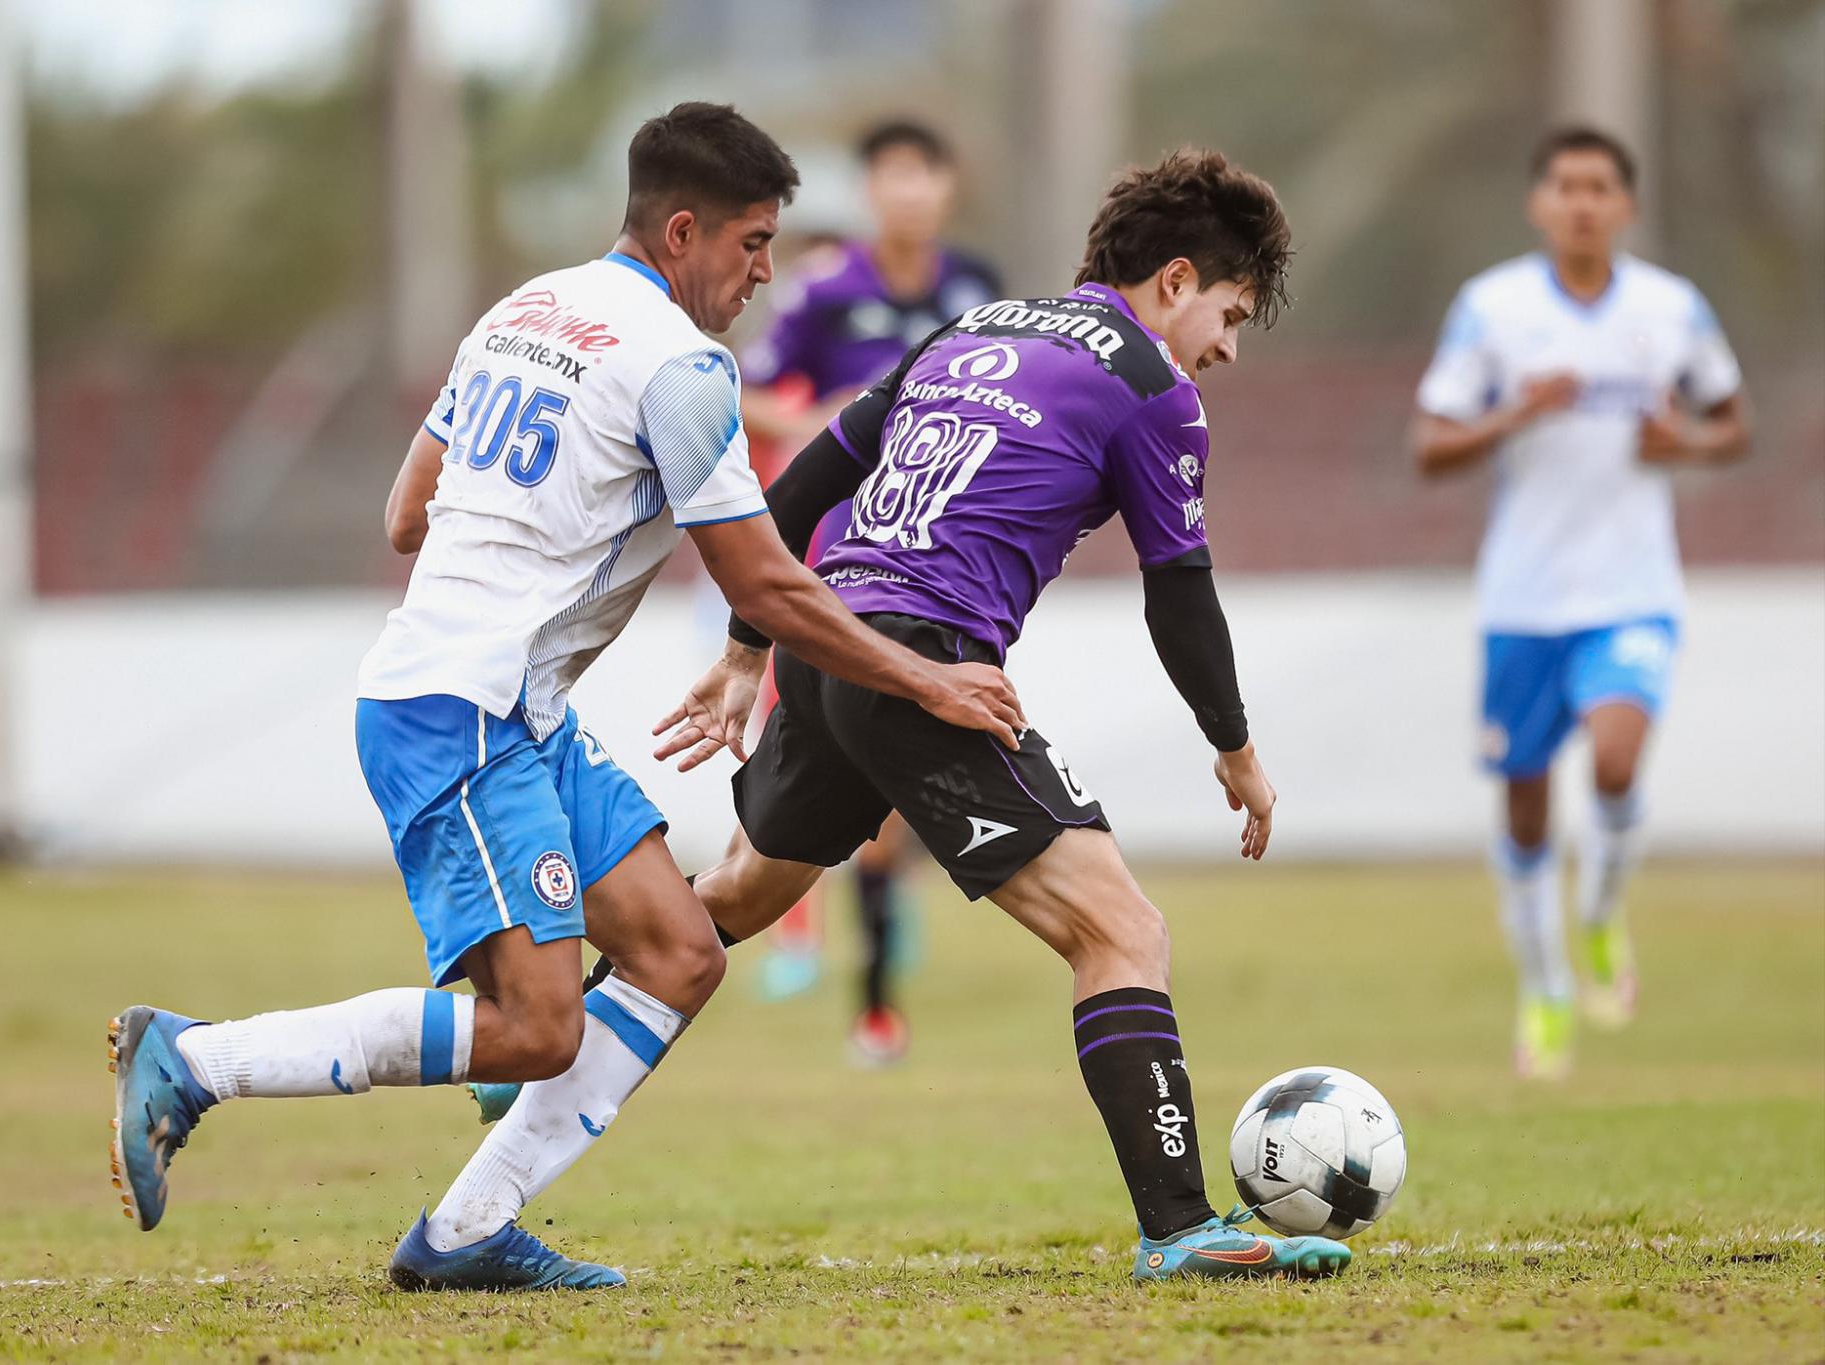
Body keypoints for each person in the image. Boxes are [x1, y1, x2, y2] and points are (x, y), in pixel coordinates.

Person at [105, 101, 1022, 1293]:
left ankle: (465, 1231)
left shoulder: (523, 309)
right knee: (538, 1028)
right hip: (462, 712)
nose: (762, 273)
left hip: (507, 708)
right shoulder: (683, 366)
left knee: (681, 953)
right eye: (750, 244)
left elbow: (402, 517)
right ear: (683, 232)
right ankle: (196, 1059)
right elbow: (763, 582)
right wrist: (928, 682)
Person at [465, 148, 1358, 1282]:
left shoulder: (976, 327)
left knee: (738, 896)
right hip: (924, 669)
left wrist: (750, 649)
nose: (1224, 348)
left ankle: (539, 1034)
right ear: (1174, 282)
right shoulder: (1153, 389)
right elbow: (1176, 589)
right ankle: (1182, 1228)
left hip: (827, 648)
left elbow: (794, 487)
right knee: (1121, 934)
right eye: (1229, 314)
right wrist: (1234, 751)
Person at [1410, 126, 1749, 1080]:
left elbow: (1733, 421)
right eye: (1566, 186)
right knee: (1524, 807)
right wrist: (1520, 410)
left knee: (1614, 756)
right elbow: (1429, 447)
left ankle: (1600, 912)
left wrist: (1682, 442)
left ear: (1627, 206)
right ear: (1539, 204)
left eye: (1600, 187)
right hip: (1522, 598)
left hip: (1633, 589)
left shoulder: (1670, 308)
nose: (1583, 203)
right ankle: (1546, 982)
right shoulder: (1494, 309)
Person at [738, 119, 1003, 1062]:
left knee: (897, 793)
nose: (908, 194)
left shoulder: (978, 289)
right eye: (889, 178)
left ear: (946, 187)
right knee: (842, 776)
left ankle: (871, 987)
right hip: (829, 558)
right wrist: (817, 419)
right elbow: (747, 389)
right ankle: (837, 973)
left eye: (923, 176)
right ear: (870, 190)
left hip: (941, 567)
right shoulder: (824, 290)